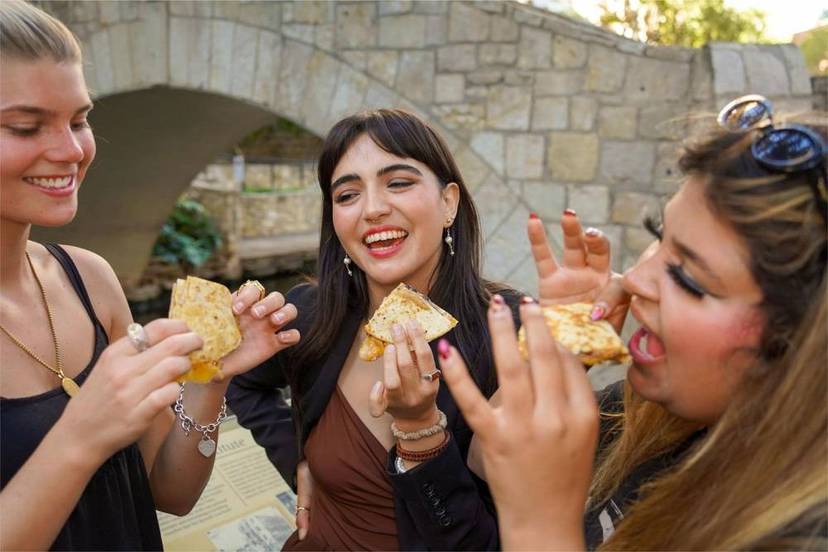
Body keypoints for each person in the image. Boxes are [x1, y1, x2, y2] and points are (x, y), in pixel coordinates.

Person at [441, 95, 828, 550]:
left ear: (800, 348)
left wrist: (541, 530)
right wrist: (562, 347)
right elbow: (489, 461)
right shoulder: (645, 415)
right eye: (659, 237)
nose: (637, 278)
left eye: (688, 278)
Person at [227, 108, 615, 550]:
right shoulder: (312, 314)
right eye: (348, 195)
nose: (373, 209)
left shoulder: (509, 331)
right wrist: (298, 458)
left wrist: (420, 432)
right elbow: (242, 381)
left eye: (398, 183)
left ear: (449, 202)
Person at [0, 2, 299, 549]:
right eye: (25, 126)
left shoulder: (88, 281)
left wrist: (208, 380)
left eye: (80, 120)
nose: (71, 150)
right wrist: (82, 436)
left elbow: (171, 490)